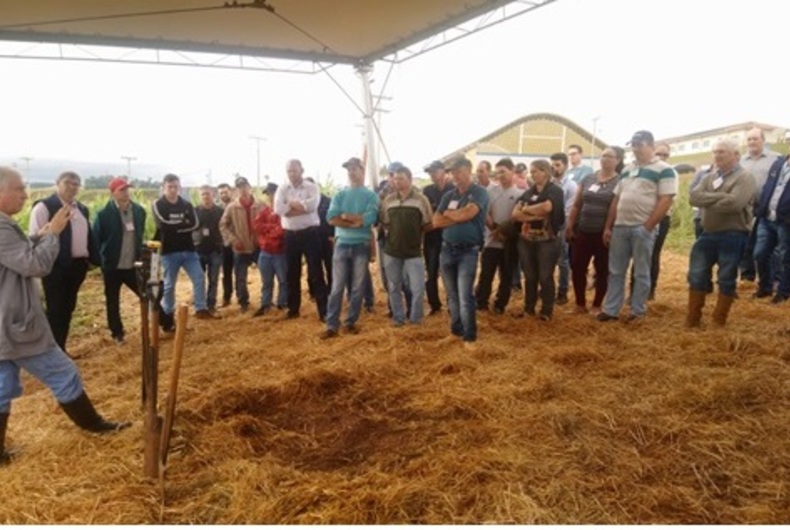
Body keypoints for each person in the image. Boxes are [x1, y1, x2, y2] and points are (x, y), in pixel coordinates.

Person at [0, 167, 130, 466]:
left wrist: (40, 235)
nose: (24, 194)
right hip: (16, 322)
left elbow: (17, 251)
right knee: (63, 372)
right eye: (19, 189)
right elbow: (35, 265)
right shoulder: (4, 225)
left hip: (6, 321)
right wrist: (53, 235)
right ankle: (94, 425)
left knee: (2, 386)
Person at [598, 130, 677, 323]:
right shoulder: (626, 169)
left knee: (641, 271)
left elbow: (666, 200)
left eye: (639, 144)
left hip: (641, 227)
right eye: (633, 145)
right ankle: (611, 310)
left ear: (651, 145)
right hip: (621, 226)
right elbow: (617, 199)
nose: (635, 148)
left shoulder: (664, 169)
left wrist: (648, 227)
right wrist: (609, 226)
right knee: (616, 270)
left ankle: (637, 311)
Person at [28, 171, 98, 355]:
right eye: (68, 182)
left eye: (76, 184)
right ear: (57, 183)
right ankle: (51, 352)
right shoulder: (44, 207)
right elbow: (34, 239)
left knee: (68, 308)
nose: (72, 187)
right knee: (56, 310)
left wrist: (91, 259)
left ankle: (60, 349)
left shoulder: (81, 209)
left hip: (76, 267)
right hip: (55, 268)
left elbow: (88, 236)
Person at [686, 140, 755, 327]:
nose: (717, 155)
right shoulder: (709, 176)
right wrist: (721, 197)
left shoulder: (745, 177)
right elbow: (693, 197)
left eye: (722, 152)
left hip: (734, 234)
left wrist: (707, 200)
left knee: (726, 277)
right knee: (697, 274)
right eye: (715, 152)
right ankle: (693, 319)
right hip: (708, 232)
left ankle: (718, 321)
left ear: (736, 155)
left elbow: (735, 204)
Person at [320, 157, 379, 339]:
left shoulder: (371, 195)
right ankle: (332, 325)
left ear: (362, 171)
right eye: (349, 169)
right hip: (342, 244)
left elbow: (369, 219)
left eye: (355, 168)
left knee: (358, 287)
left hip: (361, 245)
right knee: (337, 287)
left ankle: (350, 322)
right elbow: (331, 218)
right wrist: (355, 221)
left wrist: (345, 217)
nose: (352, 172)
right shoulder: (340, 194)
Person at [433, 157, 490, 344]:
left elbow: (469, 213)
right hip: (447, 249)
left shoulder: (479, 192)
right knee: (452, 295)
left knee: (465, 295)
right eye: (453, 172)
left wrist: (450, 214)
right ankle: (456, 331)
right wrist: (456, 216)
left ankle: (470, 337)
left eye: (458, 171)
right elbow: (436, 221)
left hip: (468, 251)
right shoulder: (449, 195)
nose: (455, 176)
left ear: (468, 170)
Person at [152, 173, 217, 331]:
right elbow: (162, 225)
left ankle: (201, 309)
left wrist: (176, 226)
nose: (173, 190)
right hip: (168, 251)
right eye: (170, 187)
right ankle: (168, 315)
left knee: (199, 277)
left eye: (176, 187)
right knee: (169, 285)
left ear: (179, 187)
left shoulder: (187, 204)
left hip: (188, 250)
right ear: (163, 187)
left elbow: (194, 224)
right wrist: (182, 223)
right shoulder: (158, 204)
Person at [565, 147, 623, 314]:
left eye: (609, 157)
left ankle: (597, 305)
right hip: (583, 229)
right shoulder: (589, 178)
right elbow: (577, 204)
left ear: (617, 160)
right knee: (577, 266)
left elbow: (615, 206)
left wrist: (607, 228)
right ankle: (580, 304)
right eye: (603, 156)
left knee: (602, 269)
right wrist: (570, 223)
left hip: (602, 233)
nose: (605, 159)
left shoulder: (619, 181)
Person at [92, 177, 147, 344]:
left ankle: (166, 323)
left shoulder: (139, 211)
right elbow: (95, 239)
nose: (126, 193)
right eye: (121, 190)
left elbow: (140, 234)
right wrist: (101, 260)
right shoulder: (103, 215)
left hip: (133, 265)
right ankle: (117, 333)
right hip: (112, 266)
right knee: (112, 300)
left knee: (146, 294)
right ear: (113, 193)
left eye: (127, 189)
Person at [274, 159, 327, 320]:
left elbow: (312, 207)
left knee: (316, 273)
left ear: (301, 170)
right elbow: (278, 209)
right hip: (290, 236)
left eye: (294, 170)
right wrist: (300, 207)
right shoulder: (282, 188)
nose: (291, 174)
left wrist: (290, 207)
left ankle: (323, 311)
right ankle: (293, 309)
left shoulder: (312, 187)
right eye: (289, 171)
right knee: (292, 273)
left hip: (310, 234)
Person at [511, 159, 565, 321]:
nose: (532, 174)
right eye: (531, 171)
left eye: (535, 171)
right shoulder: (528, 192)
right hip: (527, 239)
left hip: (547, 240)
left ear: (545, 172)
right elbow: (515, 214)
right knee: (530, 276)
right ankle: (529, 309)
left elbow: (547, 207)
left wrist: (526, 209)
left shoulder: (555, 190)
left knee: (545, 276)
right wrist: (535, 213)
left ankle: (546, 311)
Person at [381, 165, 433, 326]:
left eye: (401, 178)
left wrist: (414, 236)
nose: (397, 181)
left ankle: (416, 319)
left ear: (409, 179)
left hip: (413, 251)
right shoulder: (388, 200)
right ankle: (398, 318)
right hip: (392, 251)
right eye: (395, 178)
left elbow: (428, 223)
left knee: (418, 288)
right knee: (394, 286)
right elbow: (385, 222)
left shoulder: (421, 199)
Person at [475, 158, 521, 314]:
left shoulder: (520, 194)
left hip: (509, 242)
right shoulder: (490, 192)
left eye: (504, 171)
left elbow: (518, 218)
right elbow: (485, 212)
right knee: (486, 274)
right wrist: (494, 229)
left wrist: (506, 233)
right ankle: (481, 303)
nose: (500, 175)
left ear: (512, 171)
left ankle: (500, 304)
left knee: (506, 276)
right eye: (498, 172)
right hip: (491, 240)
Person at [739, 128, 781, 282]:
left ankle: (774, 278)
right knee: (745, 242)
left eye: (755, 139)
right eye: (749, 139)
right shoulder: (741, 161)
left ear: (763, 140)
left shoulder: (776, 159)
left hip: (767, 207)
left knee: (770, 245)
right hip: (746, 207)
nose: (751, 142)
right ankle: (747, 275)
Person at [219, 176, 263, 313]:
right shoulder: (232, 207)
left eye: (245, 186)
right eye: (239, 188)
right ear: (236, 190)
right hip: (240, 248)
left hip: (258, 247)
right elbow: (222, 225)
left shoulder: (261, 205)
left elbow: (269, 222)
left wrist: (263, 238)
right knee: (240, 277)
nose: (243, 190)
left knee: (266, 275)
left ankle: (266, 300)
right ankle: (243, 302)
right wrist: (233, 240)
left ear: (250, 187)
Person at [752, 153, 790, 304]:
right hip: (767, 217)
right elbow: (768, 186)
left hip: (786, 221)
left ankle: (783, 292)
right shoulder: (778, 163)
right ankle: (765, 287)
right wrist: (761, 207)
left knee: (785, 257)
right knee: (760, 254)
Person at [422, 160, 454, 316]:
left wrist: (440, 219)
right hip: (432, 238)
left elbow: (455, 215)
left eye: (435, 171)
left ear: (444, 171)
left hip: (450, 237)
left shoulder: (454, 190)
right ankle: (434, 305)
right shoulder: (427, 191)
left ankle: (451, 304)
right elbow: (425, 214)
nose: (433, 175)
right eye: (430, 172)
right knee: (432, 272)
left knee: (450, 273)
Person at [252, 183, 287, 317]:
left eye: (273, 193)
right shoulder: (264, 211)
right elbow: (257, 226)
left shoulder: (284, 211)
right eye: (269, 194)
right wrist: (271, 230)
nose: (270, 196)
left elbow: (282, 230)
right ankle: (265, 304)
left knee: (283, 280)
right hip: (265, 252)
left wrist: (267, 231)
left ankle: (282, 303)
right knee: (266, 281)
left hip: (280, 251)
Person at [549, 152, 577, 305]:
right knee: (547, 260)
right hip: (547, 227)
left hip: (561, 226)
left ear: (565, 166)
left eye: (558, 165)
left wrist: (562, 229)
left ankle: (562, 291)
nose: (554, 168)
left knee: (563, 260)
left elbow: (569, 209)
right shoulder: (549, 183)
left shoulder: (571, 186)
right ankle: (548, 289)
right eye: (552, 165)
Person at [648, 141, 674, 300]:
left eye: (665, 155)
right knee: (640, 255)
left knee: (653, 255)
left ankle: (650, 289)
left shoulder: (670, 172)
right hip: (642, 216)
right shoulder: (648, 170)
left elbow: (668, 199)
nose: (662, 157)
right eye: (659, 154)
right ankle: (635, 288)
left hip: (661, 218)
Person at [195, 185, 225, 315]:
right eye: (203, 194)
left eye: (208, 194)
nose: (206, 196)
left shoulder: (220, 211)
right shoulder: (194, 211)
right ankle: (200, 306)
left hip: (215, 250)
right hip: (199, 250)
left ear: (213, 195)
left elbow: (225, 227)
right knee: (199, 279)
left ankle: (211, 304)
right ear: (200, 196)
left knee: (213, 279)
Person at [306, 177, 334, 305]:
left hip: (326, 238)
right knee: (313, 268)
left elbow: (332, 218)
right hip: (310, 239)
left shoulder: (327, 200)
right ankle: (314, 292)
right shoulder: (303, 202)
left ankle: (332, 292)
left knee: (330, 266)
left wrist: (332, 235)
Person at [216, 182, 235, 307]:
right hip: (224, 245)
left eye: (225, 192)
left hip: (239, 242)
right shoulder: (217, 208)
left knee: (240, 272)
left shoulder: (237, 205)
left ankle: (243, 298)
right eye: (221, 193)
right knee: (226, 272)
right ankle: (226, 297)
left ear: (231, 191)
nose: (223, 194)